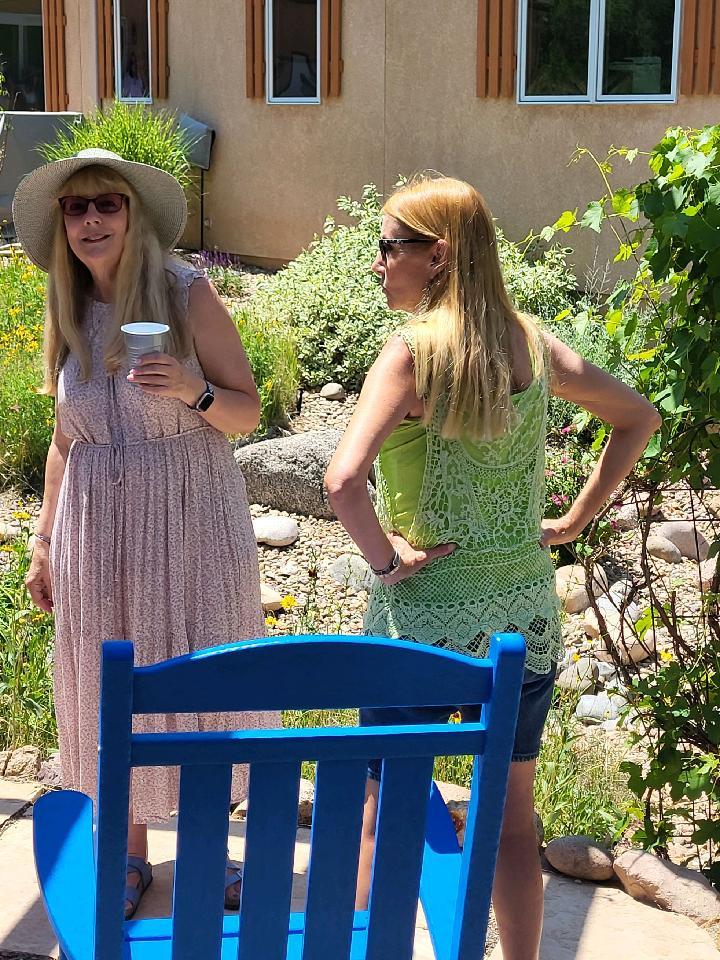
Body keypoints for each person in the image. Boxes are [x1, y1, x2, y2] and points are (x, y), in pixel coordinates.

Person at [324, 174, 661, 960]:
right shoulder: (533, 345)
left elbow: (342, 482)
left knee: (386, 804)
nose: (376, 264)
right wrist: (576, 519)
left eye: (387, 247)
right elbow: (638, 416)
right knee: (511, 819)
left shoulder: (410, 353)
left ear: (437, 254)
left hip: (420, 625)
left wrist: (385, 558)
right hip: (522, 621)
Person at [14, 148, 275, 918]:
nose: (91, 220)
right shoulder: (65, 309)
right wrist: (43, 541)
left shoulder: (187, 294)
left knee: (197, 676)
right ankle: (127, 857)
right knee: (107, 681)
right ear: (62, 225)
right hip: (98, 526)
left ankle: (208, 851)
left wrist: (194, 391)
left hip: (191, 519)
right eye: (76, 208)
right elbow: (68, 439)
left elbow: (247, 411)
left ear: (132, 215)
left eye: (107, 204)